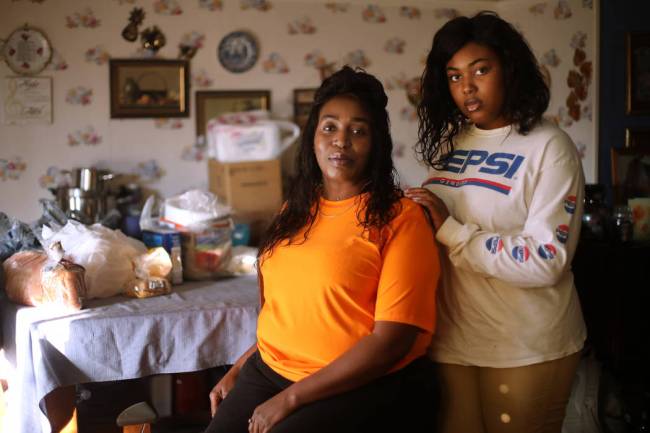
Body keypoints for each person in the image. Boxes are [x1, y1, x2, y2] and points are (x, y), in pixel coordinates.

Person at [205, 66, 440, 433]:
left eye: (358, 131)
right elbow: (287, 312)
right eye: (329, 127)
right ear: (313, 137)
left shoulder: (402, 219)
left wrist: (290, 399)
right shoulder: (294, 210)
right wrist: (240, 366)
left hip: (354, 385)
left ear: (376, 143)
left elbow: (392, 341)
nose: (341, 141)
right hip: (269, 371)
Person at [404, 11, 587, 433]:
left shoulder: (549, 147)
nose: (466, 87)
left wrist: (452, 231)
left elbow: (545, 258)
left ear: (511, 69)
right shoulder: (453, 144)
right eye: (453, 76)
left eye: (480, 70)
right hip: (453, 341)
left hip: (526, 345)